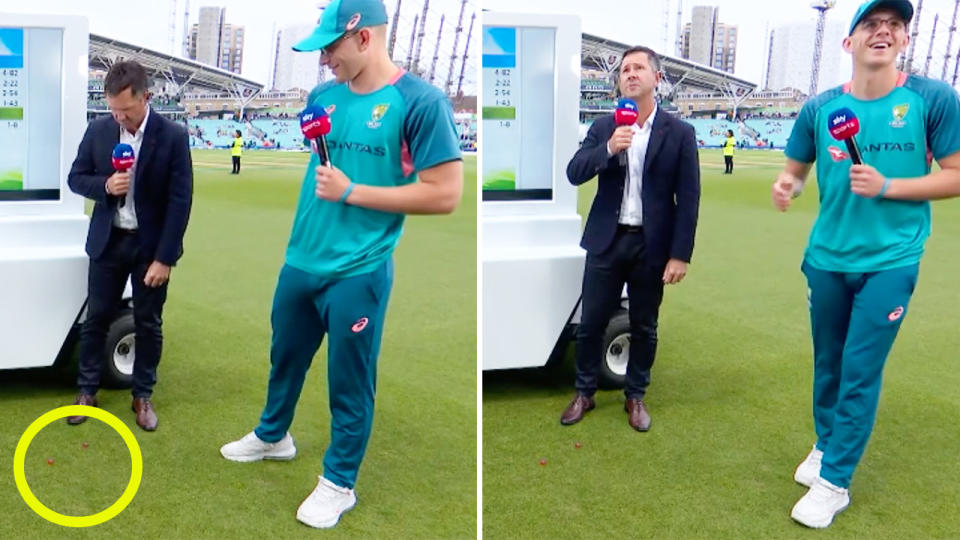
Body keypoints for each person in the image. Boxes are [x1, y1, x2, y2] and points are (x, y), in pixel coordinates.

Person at [218, 0, 463, 529]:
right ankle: (273, 435)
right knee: (284, 356)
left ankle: (339, 482)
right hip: (301, 258)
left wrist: (352, 192)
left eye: (331, 47)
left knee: (349, 379)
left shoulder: (421, 103)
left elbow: (445, 194)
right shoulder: (322, 96)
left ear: (364, 38)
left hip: (360, 268)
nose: (324, 58)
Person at [771, 0, 960, 528]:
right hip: (827, 257)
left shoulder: (932, 98)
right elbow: (797, 169)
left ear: (904, 40)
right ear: (848, 42)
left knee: (859, 369)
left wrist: (889, 187)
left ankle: (835, 482)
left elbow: (956, 174)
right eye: (871, 25)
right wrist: (788, 184)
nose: (883, 32)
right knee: (828, 362)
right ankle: (826, 444)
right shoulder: (821, 107)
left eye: (894, 25)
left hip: (891, 260)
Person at [561, 45, 700, 432]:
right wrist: (608, 149)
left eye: (639, 68)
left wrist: (680, 255)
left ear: (657, 78)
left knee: (644, 325)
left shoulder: (680, 133)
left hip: (651, 246)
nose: (631, 74)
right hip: (607, 240)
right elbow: (574, 172)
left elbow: (688, 198)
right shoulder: (605, 127)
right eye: (625, 69)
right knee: (591, 324)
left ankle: (635, 396)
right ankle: (584, 392)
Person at [65, 60, 193, 432]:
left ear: (146, 97)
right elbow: (76, 178)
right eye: (113, 109)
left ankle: (142, 395)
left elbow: (180, 200)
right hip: (108, 242)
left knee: (148, 322)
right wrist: (105, 186)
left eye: (126, 109)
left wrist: (165, 257)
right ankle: (86, 391)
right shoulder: (99, 131)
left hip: (150, 248)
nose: (119, 116)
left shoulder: (172, 136)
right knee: (97, 319)